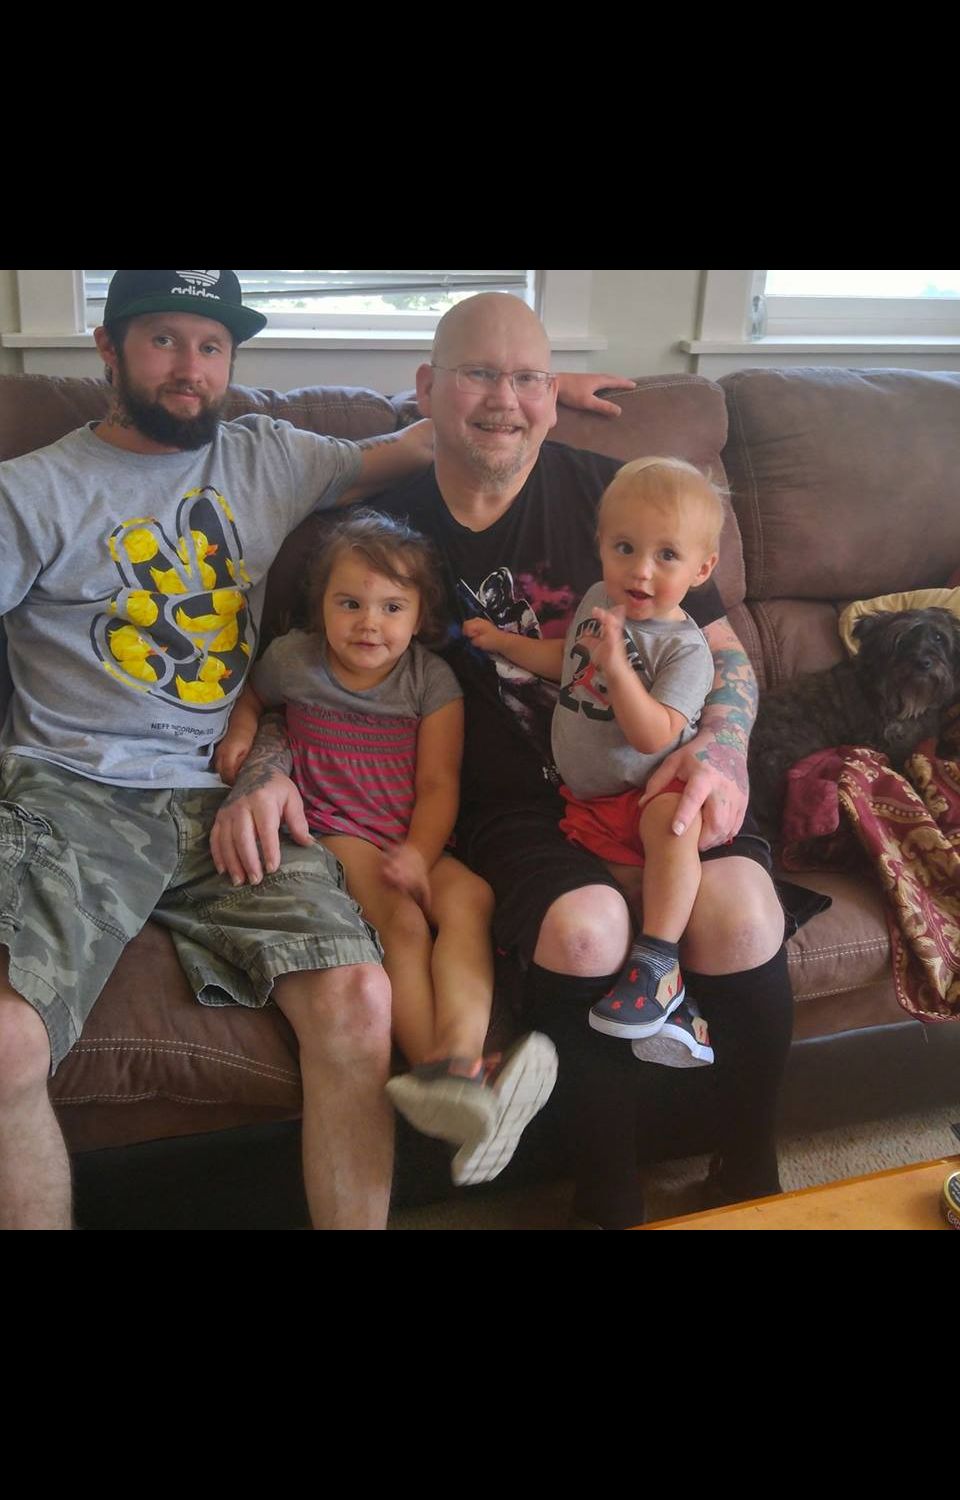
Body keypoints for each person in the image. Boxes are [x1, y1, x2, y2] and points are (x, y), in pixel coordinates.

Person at [0, 268, 626, 1231]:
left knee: (361, 1001)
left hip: (232, 792)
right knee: (8, 1043)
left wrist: (528, 397)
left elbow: (430, 439)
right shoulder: (32, 491)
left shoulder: (270, 456)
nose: (190, 367)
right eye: (163, 339)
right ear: (107, 348)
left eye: (212, 346)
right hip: (75, 789)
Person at [215, 291, 793, 1230]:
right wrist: (262, 768)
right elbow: (296, 682)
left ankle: (749, 1172)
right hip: (507, 808)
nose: (504, 399)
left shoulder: (619, 499)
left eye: (528, 379)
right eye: (479, 375)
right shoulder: (375, 530)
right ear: (426, 388)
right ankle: (606, 1198)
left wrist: (721, 755)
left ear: (554, 396)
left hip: (652, 778)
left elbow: (727, 657)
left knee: (739, 912)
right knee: (585, 930)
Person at [215, 508, 557, 1186]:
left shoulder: (432, 682)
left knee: (472, 898)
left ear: (420, 613)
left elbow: (438, 785)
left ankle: (460, 1061)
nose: (369, 624)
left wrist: (420, 854)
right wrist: (242, 732)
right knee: (401, 920)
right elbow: (251, 695)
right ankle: (441, 1068)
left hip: (411, 834)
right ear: (321, 604)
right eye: (349, 604)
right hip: (335, 831)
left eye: (391, 607)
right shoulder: (293, 660)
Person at [465, 456, 723, 1068]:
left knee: (668, 834)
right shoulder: (598, 600)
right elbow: (566, 662)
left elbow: (651, 733)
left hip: (646, 794)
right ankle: (676, 1009)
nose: (640, 570)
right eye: (625, 548)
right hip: (586, 798)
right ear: (601, 544)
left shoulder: (686, 651)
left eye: (666, 555)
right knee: (616, 903)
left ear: (702, 568)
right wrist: (505, 643)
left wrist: (617, 668)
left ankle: (660, 963)